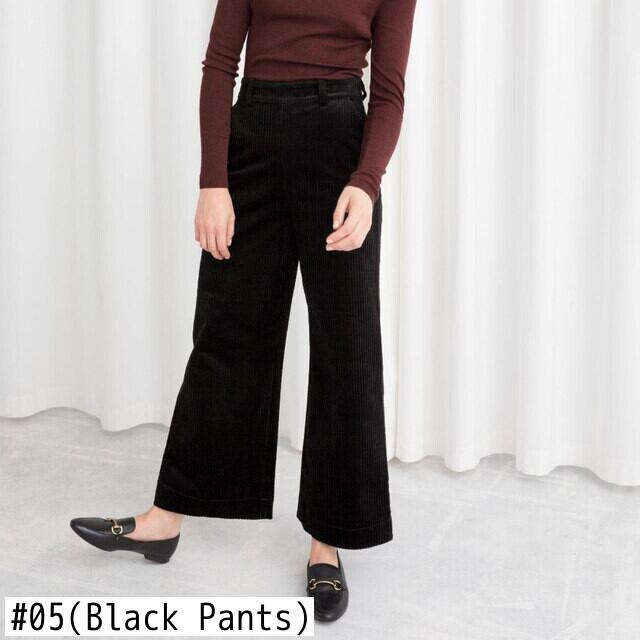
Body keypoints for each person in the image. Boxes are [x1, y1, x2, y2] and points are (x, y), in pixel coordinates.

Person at [70, 0, 417, 623]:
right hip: (251, 141)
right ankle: (165, 518)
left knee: (346, 350)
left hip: (339, 152)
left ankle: (327, 542)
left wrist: (367, 183)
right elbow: (220, 64)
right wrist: (213, 180)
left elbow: (389, 91)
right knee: (225, 336)